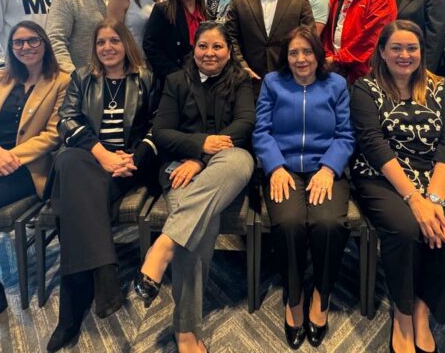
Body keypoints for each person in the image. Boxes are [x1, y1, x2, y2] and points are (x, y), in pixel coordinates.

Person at [350, 20, 445, 353]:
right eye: (396, 48)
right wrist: (414, 199)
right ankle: (402, 313)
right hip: (383, 175)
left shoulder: (440, 88)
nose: (404, 55)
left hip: (437, 175)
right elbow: (374, 145)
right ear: (382, 52)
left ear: (421, 52)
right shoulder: (366, 88)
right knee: (404, 230)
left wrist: (433, 198)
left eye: (411, 48)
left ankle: (422, 307)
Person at [134, 22, 255, 353]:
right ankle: (186, 329)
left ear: (228, 52)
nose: (209, 53)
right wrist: (201, 145)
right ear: (194, 49)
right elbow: (162, 132)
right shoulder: (176, 81)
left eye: (217, 47)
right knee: (200, 227)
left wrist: (201, 159)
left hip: (226, 168)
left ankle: (163, 245)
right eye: (203, 46)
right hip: (178, 169)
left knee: (239, 161)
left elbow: (245, 124)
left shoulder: (241, 80)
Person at [46, 19, 159, 352]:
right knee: (69, 161)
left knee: (72, 206)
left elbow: (158, 125)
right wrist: (101, 153)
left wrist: (133, 157)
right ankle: (105, 274)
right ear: (94, 48)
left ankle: (70, 314)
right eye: (100, 42)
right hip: (89, 158)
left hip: (126, 165)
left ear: (126, 44)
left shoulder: (146, 78)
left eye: (114, 41)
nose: (107, 47)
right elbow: (66, 121)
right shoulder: (82, 77)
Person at [252, 26, 354, 349]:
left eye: (307, 51)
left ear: (318, 54)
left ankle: (321, 295)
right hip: (283, 169)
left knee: (329, 224)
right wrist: (274, 166)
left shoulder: (336, 84)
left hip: (325, 167)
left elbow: (346, 134)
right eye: (294, 52)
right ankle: (294, 297)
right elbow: (261, 131)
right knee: (289, 223)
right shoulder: (272, 83)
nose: (300, 59)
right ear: (286, 57)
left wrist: (329, 168)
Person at [0, 21, 70, 219]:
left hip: (26, 167)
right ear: (11, 47)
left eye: (33, 40)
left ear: (45, 43)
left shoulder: (61, 82)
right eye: (18, 42)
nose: (26, 47)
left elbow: (53, 134)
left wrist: (2, 162)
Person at [227, 0, 315, 94]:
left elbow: (309, 37)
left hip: (290, 80)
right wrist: (242, 66)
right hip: (249, 81)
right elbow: (230, 37)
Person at [143, 0, 207, 86]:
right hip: (173, 83)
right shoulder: (162, 10)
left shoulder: (207, 13)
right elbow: (150, 47)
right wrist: (176, 76)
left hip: (204, 83)